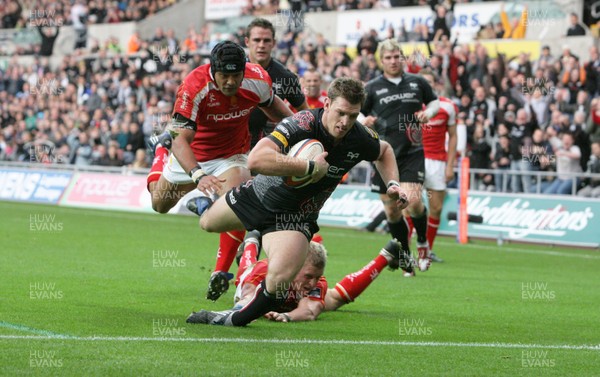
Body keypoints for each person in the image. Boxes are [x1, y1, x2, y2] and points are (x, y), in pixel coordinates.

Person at [184, 77, 409, 326]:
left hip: (295, 217)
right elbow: (256, 160)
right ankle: (209, 206)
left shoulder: (359, 137)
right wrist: (308, 166)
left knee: (280, 281)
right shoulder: (301, 123)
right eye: (341, 113)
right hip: (258, 196)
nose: (345, 122)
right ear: (327, 104)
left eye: (353, 116)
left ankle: (232, 320)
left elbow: (385, 151)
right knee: (207, 223)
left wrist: (393, 184)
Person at [146, 41, 294, 301]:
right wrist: (198, 175)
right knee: (159, 204)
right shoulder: (194, 85)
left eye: (235, 75)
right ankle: (160, 151)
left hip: (231, 155)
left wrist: (301, 129)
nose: (229, 82)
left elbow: (277, 111)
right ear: (212, 71)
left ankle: (221, 272)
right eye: (224, 76)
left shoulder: (258, 79)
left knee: (238, 204)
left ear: (243, 71)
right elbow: (181, 139)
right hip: (191, 154)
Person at [187, 232, 403, 323]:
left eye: (316, 277)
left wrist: (289, 317)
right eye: (308, 276)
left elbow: (310, 310)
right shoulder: (268, 270)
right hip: (255, 278)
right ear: (295, 265)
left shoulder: (317, 282)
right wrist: (255, 309)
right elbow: (246, 298)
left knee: (334, 299)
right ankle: (252, 241)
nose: (312, 283)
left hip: (288, 302)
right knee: (246, 271)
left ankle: (385, 256)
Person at [361, 39, 440, 275]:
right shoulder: (372, 87)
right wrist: (362, 120)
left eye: (397, 56)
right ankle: (406, 257)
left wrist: (429, 112)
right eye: (388, 58)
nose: (393, 61)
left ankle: (423, 243)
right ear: (381, 61)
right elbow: (357, 111)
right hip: (383, 155)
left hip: (411, 152)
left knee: (414, 203)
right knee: (392, 212)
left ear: (402, 58)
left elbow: (434, 102)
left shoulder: (417, 82)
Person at [245, 18, 308, 149]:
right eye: (257, 40)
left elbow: (305, 113)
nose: (261, 45)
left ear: (273, 43)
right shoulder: (234, 72)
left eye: (266, 40)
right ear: (247, 42)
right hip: (229, 145)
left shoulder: (286, 77)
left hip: (266, 147)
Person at [419, 69, 457, 262]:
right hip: (414, 159)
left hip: (437, 162)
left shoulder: (447, 107)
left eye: (430, 82)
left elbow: (453, 136)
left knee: (435, 208)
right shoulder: (411, 106)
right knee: (411, 205)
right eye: (423, 82)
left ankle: (427, 252)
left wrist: (450, 165)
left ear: (435, 84)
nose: (427, 85)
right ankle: (407, 251)